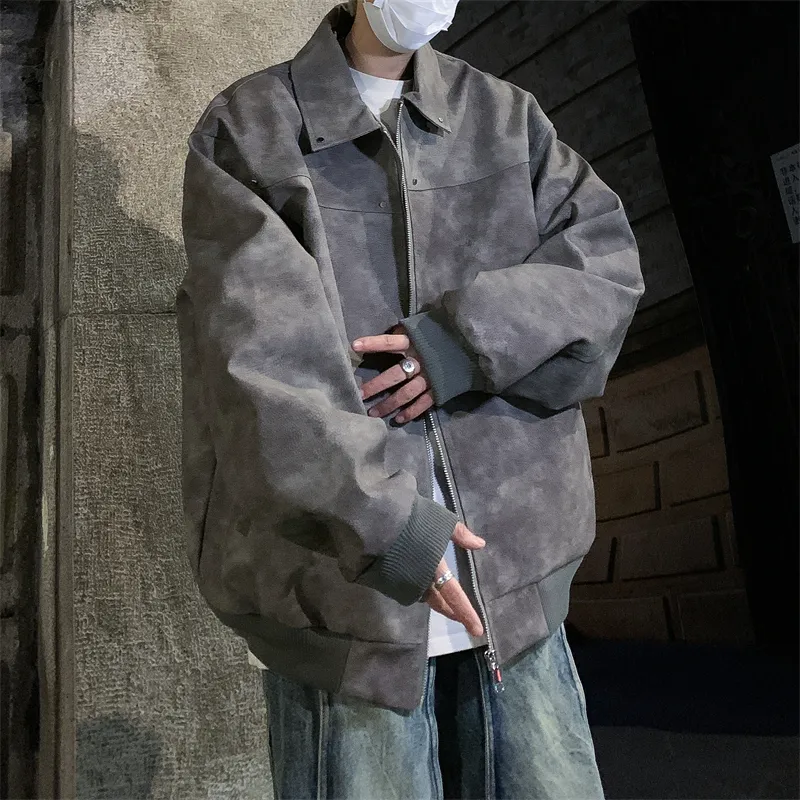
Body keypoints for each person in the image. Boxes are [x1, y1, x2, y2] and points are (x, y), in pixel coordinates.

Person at [176, 0, 645, 797]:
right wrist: (393, 529)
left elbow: (604, 271)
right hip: (344, 601)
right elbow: (258, 368)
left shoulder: (505, 118)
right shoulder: (251, 127)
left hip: (514, 584)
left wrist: (465, 342)